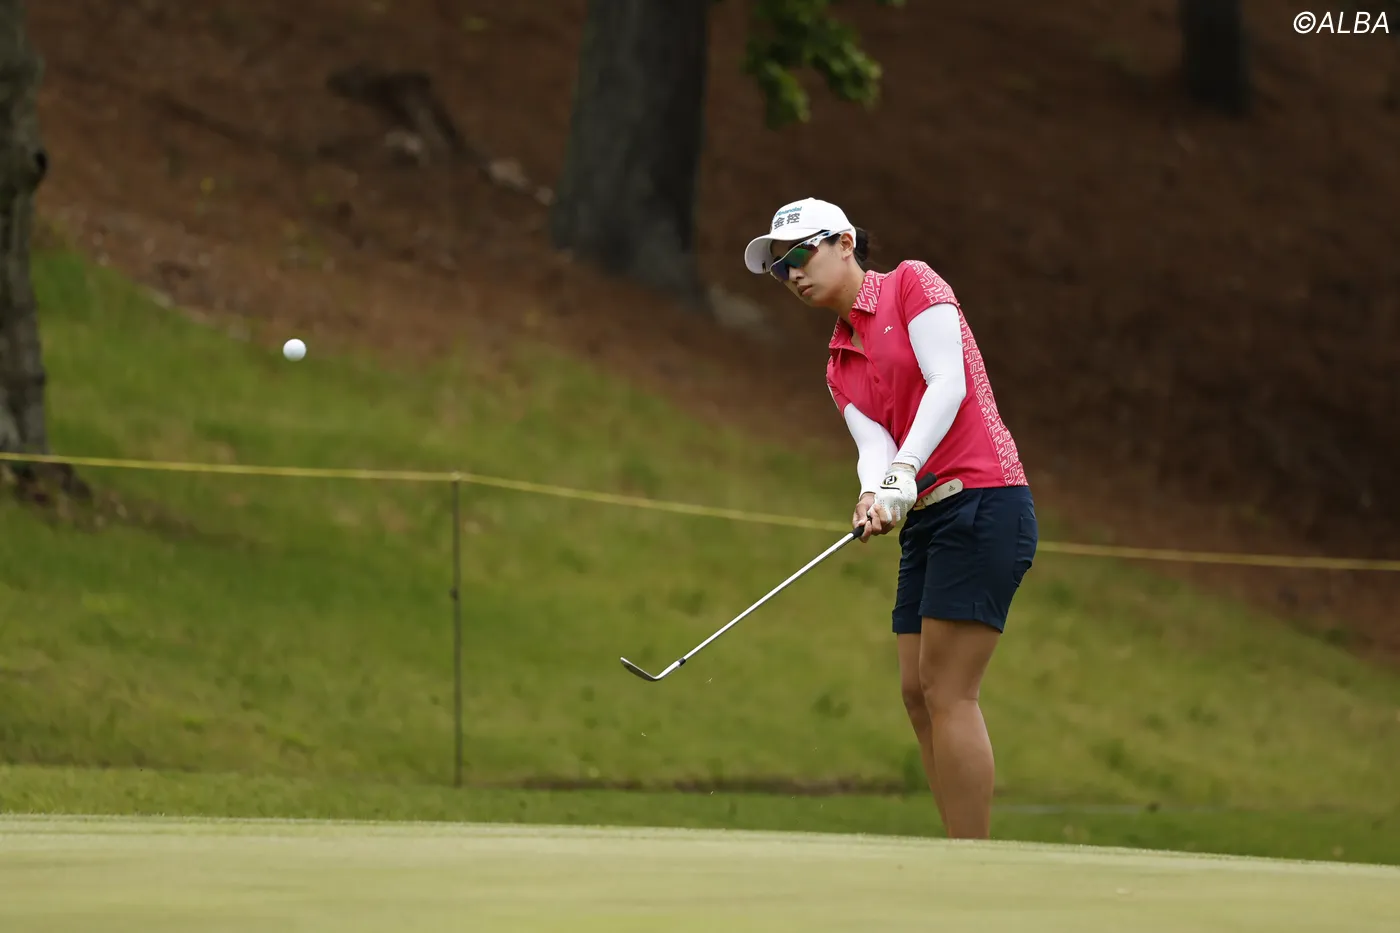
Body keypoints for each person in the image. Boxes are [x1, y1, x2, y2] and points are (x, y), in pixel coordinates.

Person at [743, 197, 1038, 840]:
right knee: (915, 690)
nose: (792, 274)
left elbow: (948, 383)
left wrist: (903, 471)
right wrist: (873, 493)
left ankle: (973, 860)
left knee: (948, 689)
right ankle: (956, 846)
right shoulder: (838, 360)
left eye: (801, 254)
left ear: (845, 243)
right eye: (779, 267)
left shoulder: (912, 285)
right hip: (928, 517)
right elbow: (872, 448)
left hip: (984, 498)